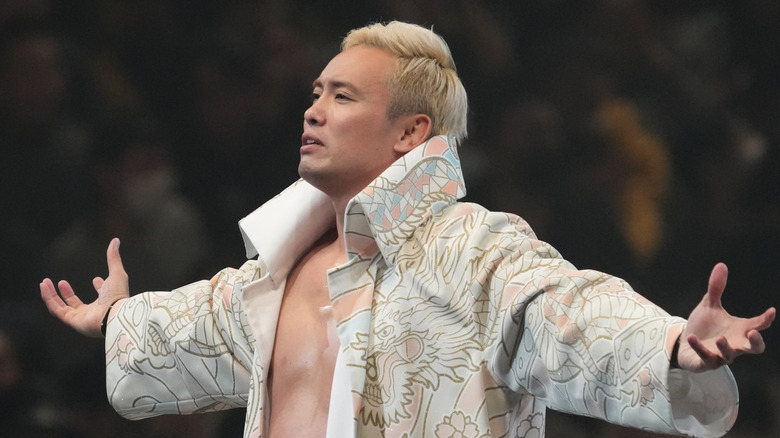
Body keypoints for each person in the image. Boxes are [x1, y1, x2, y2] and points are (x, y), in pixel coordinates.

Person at [40, 21, 774, 438]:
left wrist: (673, 344)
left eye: (343, 95)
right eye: (316, 92)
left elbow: (566, 311)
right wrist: (115, 320)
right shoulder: (267, 278)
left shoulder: (471, 247)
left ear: (409, 132)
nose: (314, 110)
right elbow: (176, 333)